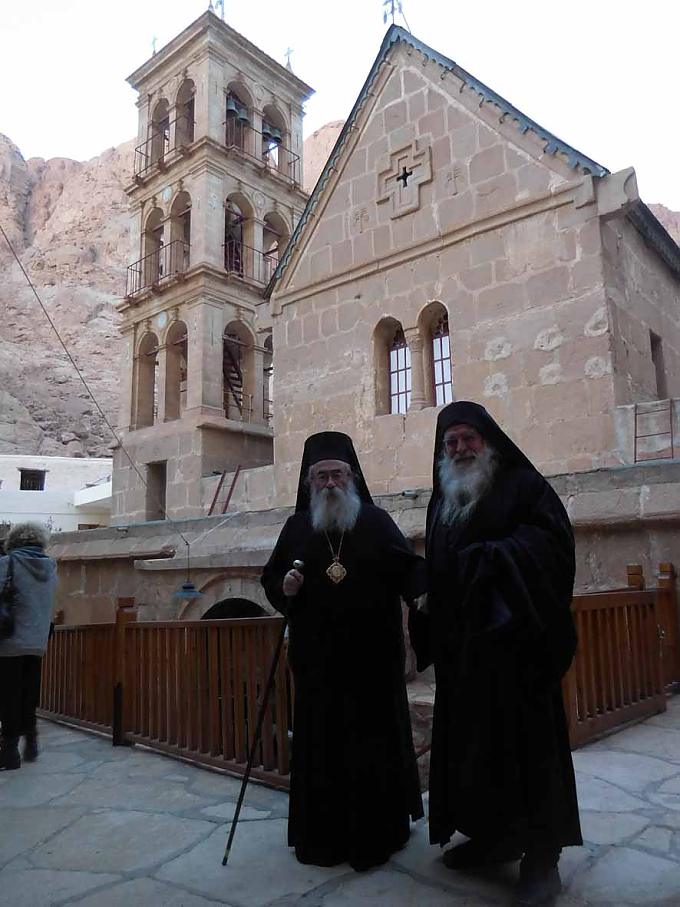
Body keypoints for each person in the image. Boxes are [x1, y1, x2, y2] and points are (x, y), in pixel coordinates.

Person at [416, 401, 581, 907]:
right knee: (473, 752)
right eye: (452, 443)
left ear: (488, 442)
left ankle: (541, 860)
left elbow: (552, 547)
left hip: (517, 655)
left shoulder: (526, 488)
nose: (461, 449)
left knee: (527, 754)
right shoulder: (442, 499)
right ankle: (491, 838)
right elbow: (440, 564)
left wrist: (493, 559)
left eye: (469, 439)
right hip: (465, 658)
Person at [261, 431, 425, 871]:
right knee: (322, 748)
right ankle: (323, 838)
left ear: (351, 477)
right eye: (321, 477)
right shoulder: (296, 528)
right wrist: (285, 587)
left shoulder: (374, 520)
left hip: (372, 664)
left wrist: (423, 596)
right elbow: (271, 580)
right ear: (309, 483)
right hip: (318, 667)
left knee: (374, 748)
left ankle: (378, 835)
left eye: (337, 474)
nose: (330, 483)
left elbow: (409, 569)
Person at [0, 522, 57, 770]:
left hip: (9, 640)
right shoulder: (51, 566)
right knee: (28, 692)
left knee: (8, 695)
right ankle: (31, 739)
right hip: (37, 641)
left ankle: (10, 751)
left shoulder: (7, 563)